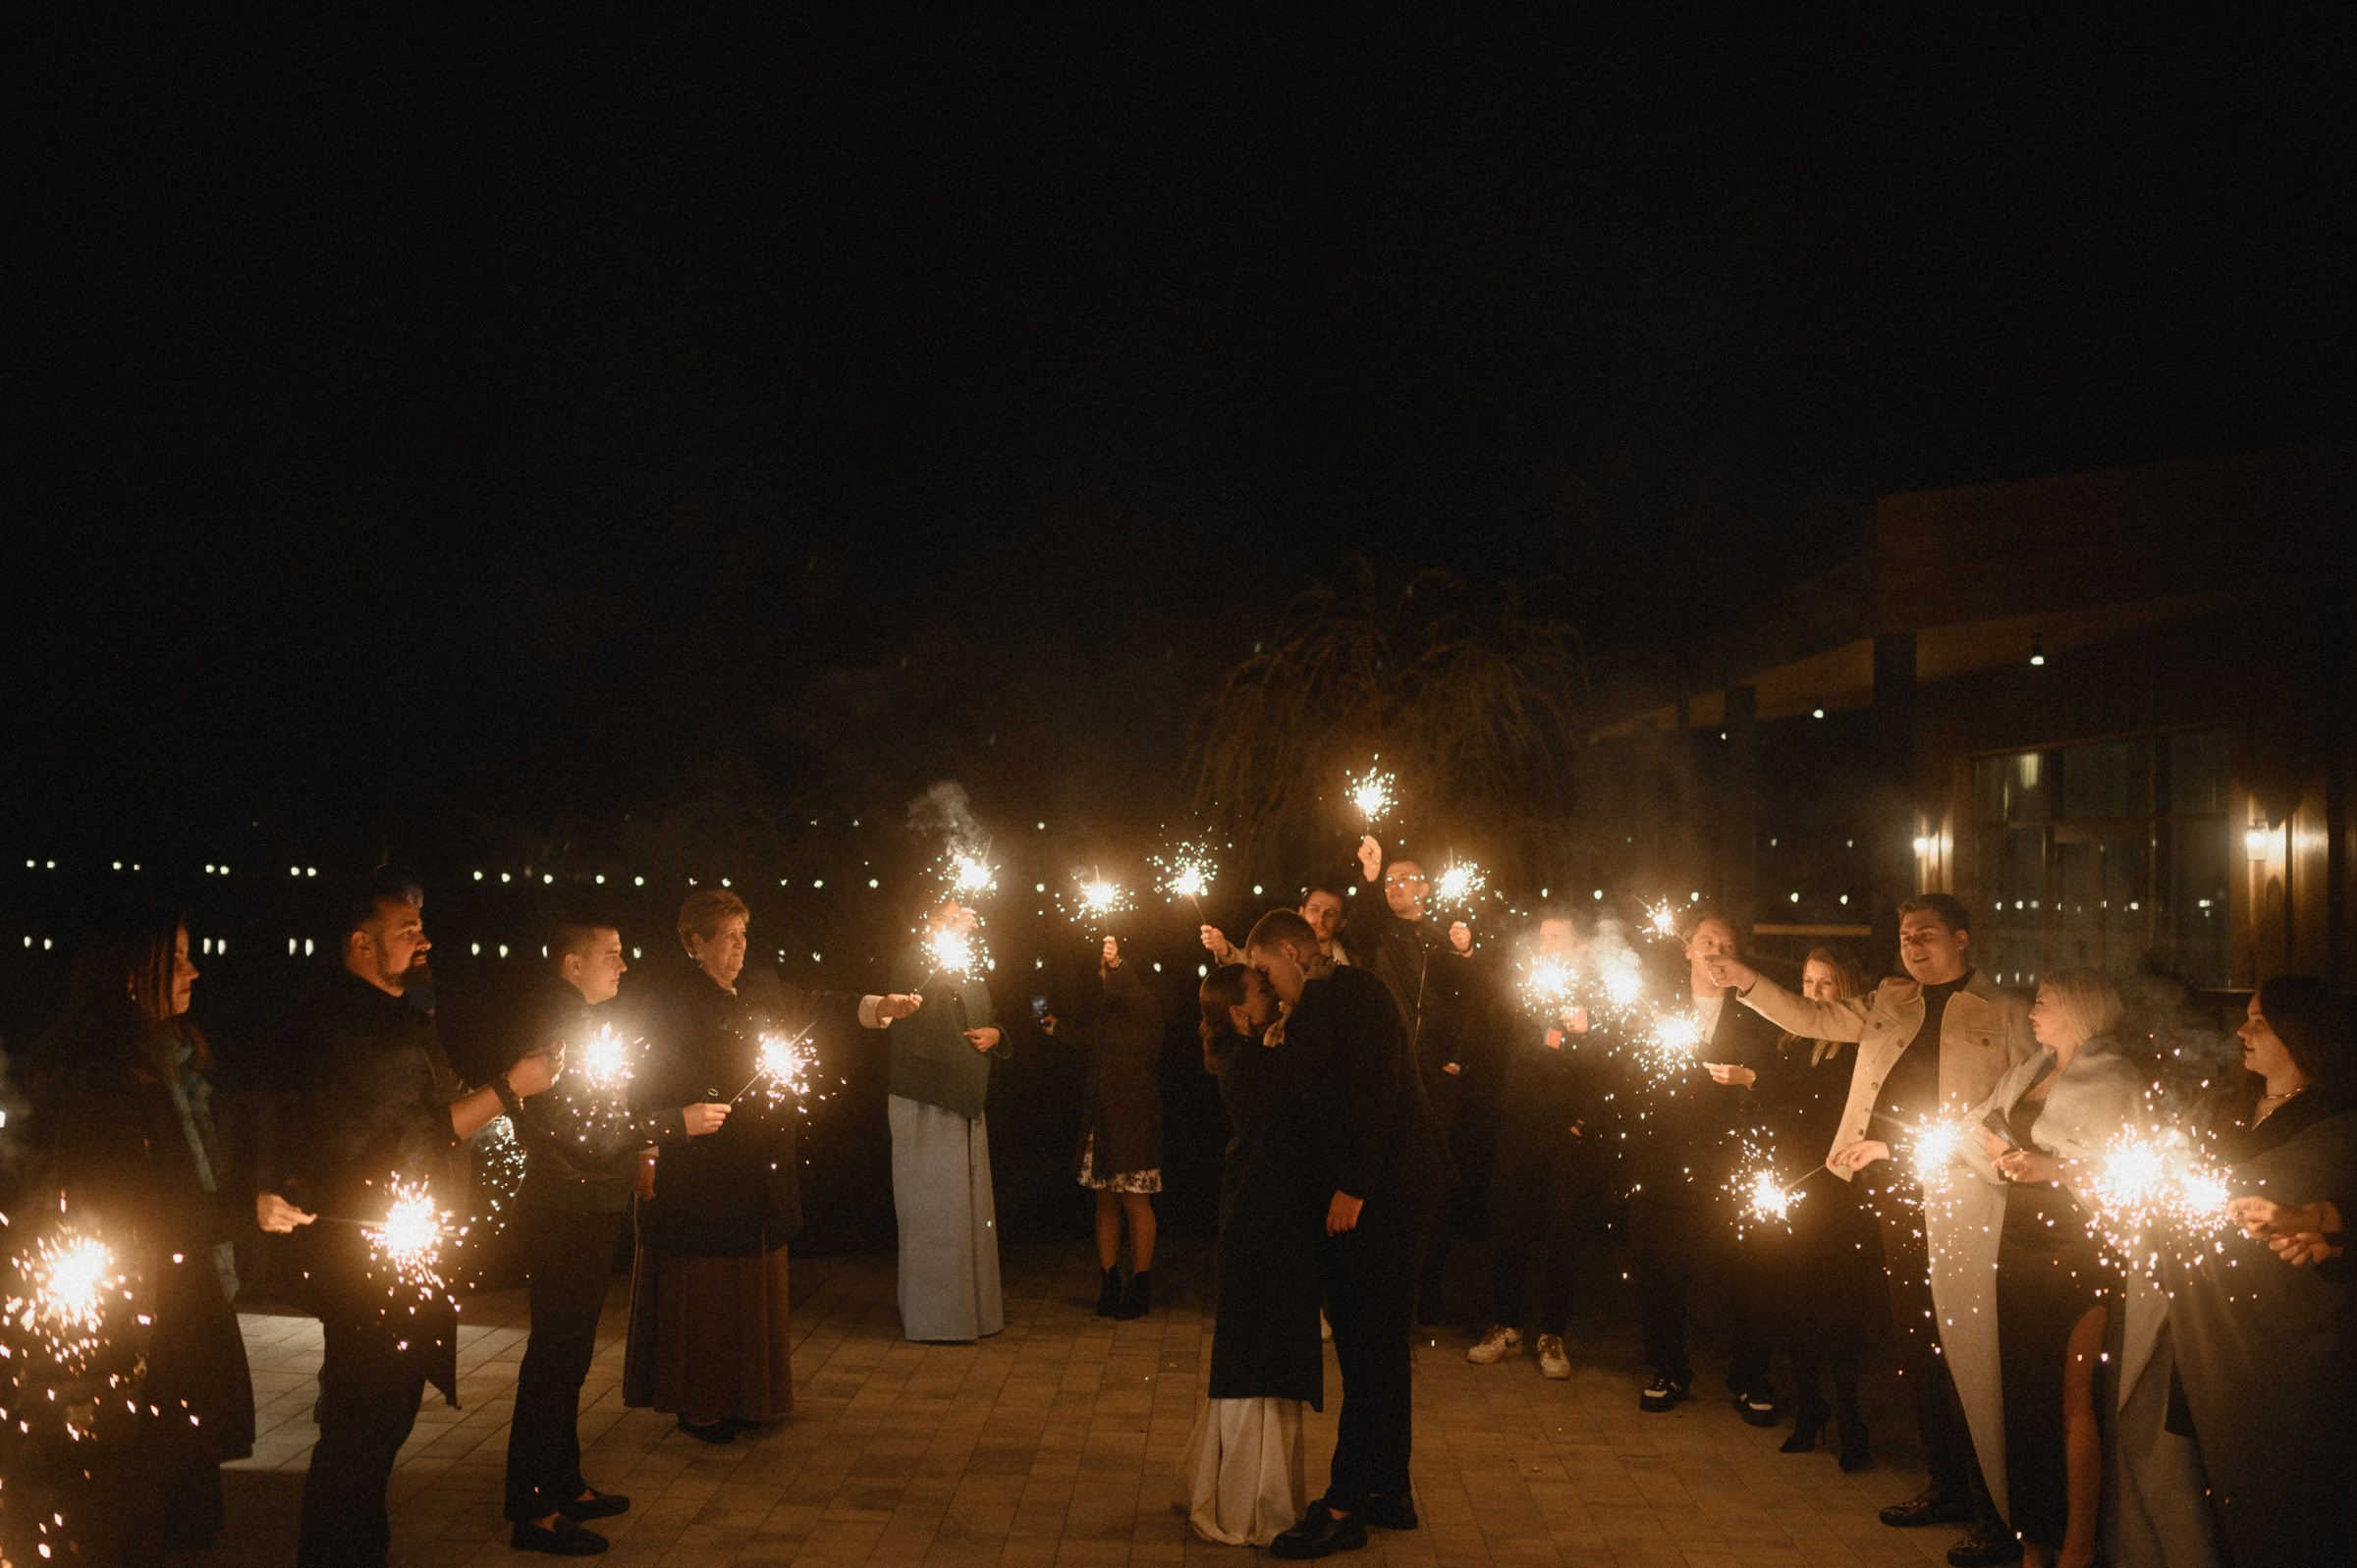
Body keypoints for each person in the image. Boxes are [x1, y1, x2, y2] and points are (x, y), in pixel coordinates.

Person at [1707, 892, 2034, 1568]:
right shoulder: (1891, 999)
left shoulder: (2003, 1012)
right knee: (1916, 1335)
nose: (1913, 943)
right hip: (1891, 1187)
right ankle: (1946, 1483)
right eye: (1906, 933)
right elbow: (1813, 1014)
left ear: (1963, 939)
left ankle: (1996, 1505)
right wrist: (1745, 981)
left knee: (1967, 1339)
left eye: (1928, 933)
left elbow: (2025, 1100)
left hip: (1968, 1194)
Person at [265, 872, 563, 1568]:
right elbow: (415, 1134)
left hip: (398, 1265)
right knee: (358, 1437)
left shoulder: (403, 1017)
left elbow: (436, 1117)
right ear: (361, 945)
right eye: (407, 931)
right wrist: (508, 1089)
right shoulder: (350, 1026)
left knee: (377, 1434)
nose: (424, 939)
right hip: (365, 1267)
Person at [623, 890, 914, 1441]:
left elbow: (820, 1002)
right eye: (727, 937)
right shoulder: (671, 1003)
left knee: (752, 1285)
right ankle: (701, 1403)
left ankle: (750, 1397)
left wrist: (881, 1005)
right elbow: (645, 1078)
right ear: (695, 944)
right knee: (707, 1290)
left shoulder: (761, 987)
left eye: (743, 935)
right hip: (702, 1176)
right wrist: (654, 1143)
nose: (739, 947)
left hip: (759, 1170)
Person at [25, 911, 255, 1558]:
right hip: (139, 1327)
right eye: (177, 958)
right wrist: (242, 1210)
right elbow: (131, 1205)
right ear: (133, 976)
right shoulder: (102, 1077)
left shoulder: (176, 1066)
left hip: (184, 1307)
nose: (194, 970)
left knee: (181, 1506)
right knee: (138, 1507)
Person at [1245, 909, 1452, 1561]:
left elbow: (1374, 1089)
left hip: (1383, 1197)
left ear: (1290, 950)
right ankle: (1388, 1489)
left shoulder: (1353, 992)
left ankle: (1343, 1505)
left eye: (1262, 967)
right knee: (1379, 1349)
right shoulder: (1322, 1004)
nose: (1261, 980)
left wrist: (1353, 1185)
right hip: (1380, 1193)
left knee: (1367, 1349)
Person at [2163, 976, 2355, 1568]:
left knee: (2290, 1499)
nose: (2242, 1031)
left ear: (2303, 1036)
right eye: (2246, 1018)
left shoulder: (2338, 1123)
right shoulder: (2231, 1105)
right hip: (2211, 1329)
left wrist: (2322, 1225)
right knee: (2220, 1487)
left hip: (2286, 1347)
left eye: (2261, 1023)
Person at [1949, 970, 2139, 1568]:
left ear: (2079, 1008)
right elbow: (1974, 1125)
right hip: (2018, 1247)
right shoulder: (2029, 1071)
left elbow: (2130, 1175)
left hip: (2079, 1251)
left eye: (2043, 1002)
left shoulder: (2116, 1080)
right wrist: (1998, 1149)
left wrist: (2052, 1170)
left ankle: (2078, 1548)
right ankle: (2035, 1544)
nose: (2031, 1011)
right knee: (2024, 1399)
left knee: (2070, 1399)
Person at [500, 919, 656, 1552]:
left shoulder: (581, 1021)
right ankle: (531, 1509)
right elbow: (578, 1123)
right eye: (611, 956)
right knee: (555, 1354)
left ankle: (563, 1483)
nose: (622, 967)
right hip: (565, 1207)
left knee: (570, 1350)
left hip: (588, 1203)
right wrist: (670, 1126)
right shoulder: (557, 1028)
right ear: (571, 963)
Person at [1177, 964, 1324, 1546]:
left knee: (1263, 1351)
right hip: (1261, 1226)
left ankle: (1254, 1489)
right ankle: (1248, 1500)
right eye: (1263, 992)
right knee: (1259, 1354)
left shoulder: (1248, 1055)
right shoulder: (1248, 1064)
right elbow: (1296, 1083)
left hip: (1263, 1222)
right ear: (1239, 1012)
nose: (1276, 995)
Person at [1728, 946, 1878, 1470]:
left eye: (1826, 985)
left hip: (1838, 1192)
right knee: (1794, 1301)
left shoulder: (1862, 1052)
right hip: (1790, 1187)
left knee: (1838, 1307)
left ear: (1847, 990)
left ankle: (1851, 1419)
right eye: (1808, 983)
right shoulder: (1790, 1043)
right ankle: (1810, 1409)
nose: (1813, 994)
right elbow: (1776, 1104)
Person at [1628, 910, 1780, 1418]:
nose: (1716, 951)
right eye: (1707, 941)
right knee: (1662, 1271)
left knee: (1746, 1269)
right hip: (1665, 1155)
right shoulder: (1655, 1005)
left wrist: (1749, 1078)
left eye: (1727, 943)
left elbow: (1780, 1076)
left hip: (1732, 1159)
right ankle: (1668, 1368)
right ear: (1687, 948)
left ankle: (1749, 1375)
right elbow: (1627, 1070)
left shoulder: (1758, 1008)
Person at [1466, 910, 1609, 1381]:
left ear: (1581, 946)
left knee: (1560, 1232)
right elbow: (1495, 1038)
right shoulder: (1523, 984)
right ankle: (1508, 1326)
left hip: (1567, 1131)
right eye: (1544, 937)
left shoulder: (1601, 995)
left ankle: (1552, 1334)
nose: (1549, 945)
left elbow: (1614, 1062)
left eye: (1559, 938)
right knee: (1508, 1223)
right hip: (1518, 1124)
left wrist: (1584, 1118)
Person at [887, 897, 1008, 1342]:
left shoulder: (969, 966)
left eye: (962, 915)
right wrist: (948, 935)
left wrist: (996, 1034)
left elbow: (984, 1016)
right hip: (926, 1097)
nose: (962, 922)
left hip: (964, 1098)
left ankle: (973, 1313)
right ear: (930, 920)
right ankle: (936, 1319)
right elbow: (918, 1019)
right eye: (948, 916)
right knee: (933, 1207)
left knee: (968, 1210)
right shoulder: (915, 959)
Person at [1053, 935, 1166, 1320]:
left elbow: (1134, 997)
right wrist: (1058, 1029)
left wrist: (1118, 966)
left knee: (1135, 1200)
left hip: (1133, 1119)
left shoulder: (1145, 1005)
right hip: (1102, 1118)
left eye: (1107, 970)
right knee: (1105, 1200)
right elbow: (1092, 1041)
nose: (1101, 974)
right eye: (1103, 970)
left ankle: (1141, 1284)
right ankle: (1109, 1281)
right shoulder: (1106, 1011)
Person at [1200, 882, 1355, 968]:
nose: (1320, 919)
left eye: (1330, 914)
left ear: (1341, 924)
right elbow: (1251, 966)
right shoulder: (1280, 951)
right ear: (1301, 913)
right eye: (1314, 910)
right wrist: (1224, 949)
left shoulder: (1353, 964)